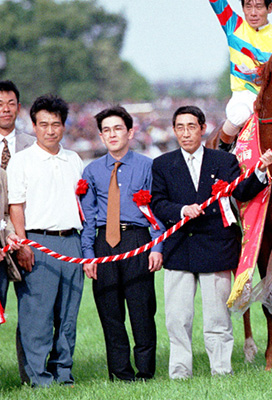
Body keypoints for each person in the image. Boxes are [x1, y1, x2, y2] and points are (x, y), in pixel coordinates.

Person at [151, 105, 272, 378]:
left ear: (203, 128)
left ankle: (221, 369)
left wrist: (261, 171)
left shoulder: (223, 161)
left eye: (191, 126)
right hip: (179, 249)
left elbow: (242, 190)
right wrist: (182, 211)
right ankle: (180, 372)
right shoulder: (162, 164)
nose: (185, 133)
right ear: (173, 131)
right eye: (180, 127)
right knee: (177, 319)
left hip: (217, 248)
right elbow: (158, 203)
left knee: (218, 318)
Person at [80, 106, 164, 381]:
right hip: (104, 242)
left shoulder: (147, 166)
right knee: (109, 311)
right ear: (101, 136)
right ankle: (120, 371)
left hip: (136, 239)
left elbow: (156, 210)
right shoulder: (91, 171)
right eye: (106, 130)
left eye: (118, 129)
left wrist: (156, 247)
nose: (112, 134)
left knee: (141, 309)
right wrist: (88, 254)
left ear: (130, 132)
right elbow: (88, 217)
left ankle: (145, 370)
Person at [7, 94, 84, 387]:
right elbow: (16, 205)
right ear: (34, 126)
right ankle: (39, 377)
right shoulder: (22, 161)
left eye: (56, 124)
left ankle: (64, 372)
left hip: (71, 243)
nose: (50, 130)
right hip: (38, 243)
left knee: (68, 314)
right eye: (43, 124)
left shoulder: (73, 159)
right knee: (37, 316)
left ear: (64, 126)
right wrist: (24, 244)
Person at [192, 0, 272, 151]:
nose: (253, 13)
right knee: (239, 116)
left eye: (259, 7)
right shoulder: (233, 26)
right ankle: (222, 156)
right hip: (244, 95)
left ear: (270, 8)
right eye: (248, 7)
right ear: (242, 8)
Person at [0, 80, 34, 312]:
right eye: (0, 104)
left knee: (33, 311)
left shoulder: (34, 147)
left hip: (27, 236)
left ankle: (30, 351)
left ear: (19, 108)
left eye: (11, 103)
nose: (5, 109)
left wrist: (21, 239)